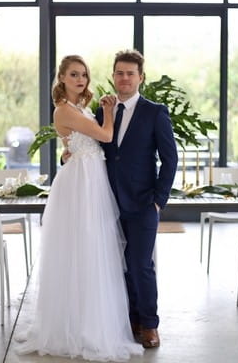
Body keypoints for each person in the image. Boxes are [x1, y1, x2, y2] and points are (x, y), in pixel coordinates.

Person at [14, 55, 144, 362]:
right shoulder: (64, 109)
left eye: (84, 75)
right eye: (73, 75)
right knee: (79, 248)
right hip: (80, 185)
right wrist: (110, 111)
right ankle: (74, 327)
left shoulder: (80, 108)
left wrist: (68, 151)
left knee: (92, 249)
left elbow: (74, 144)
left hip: (90, 179)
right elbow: (105, 136)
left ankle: (89, 321)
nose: (81, 80)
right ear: (61, 79)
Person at [96, 49, 178, 348]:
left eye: (131, 73)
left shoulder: (155, 112)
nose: (125, 78)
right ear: (113, 76)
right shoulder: (102, 110)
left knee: (140, 263)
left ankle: (149, 324)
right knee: (116, 263)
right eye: (119, 72)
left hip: (144, 203)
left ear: (140, 77)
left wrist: (159, 199)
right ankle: (129, 318)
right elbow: (95, 150)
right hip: (107, 201)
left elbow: (170, 159)